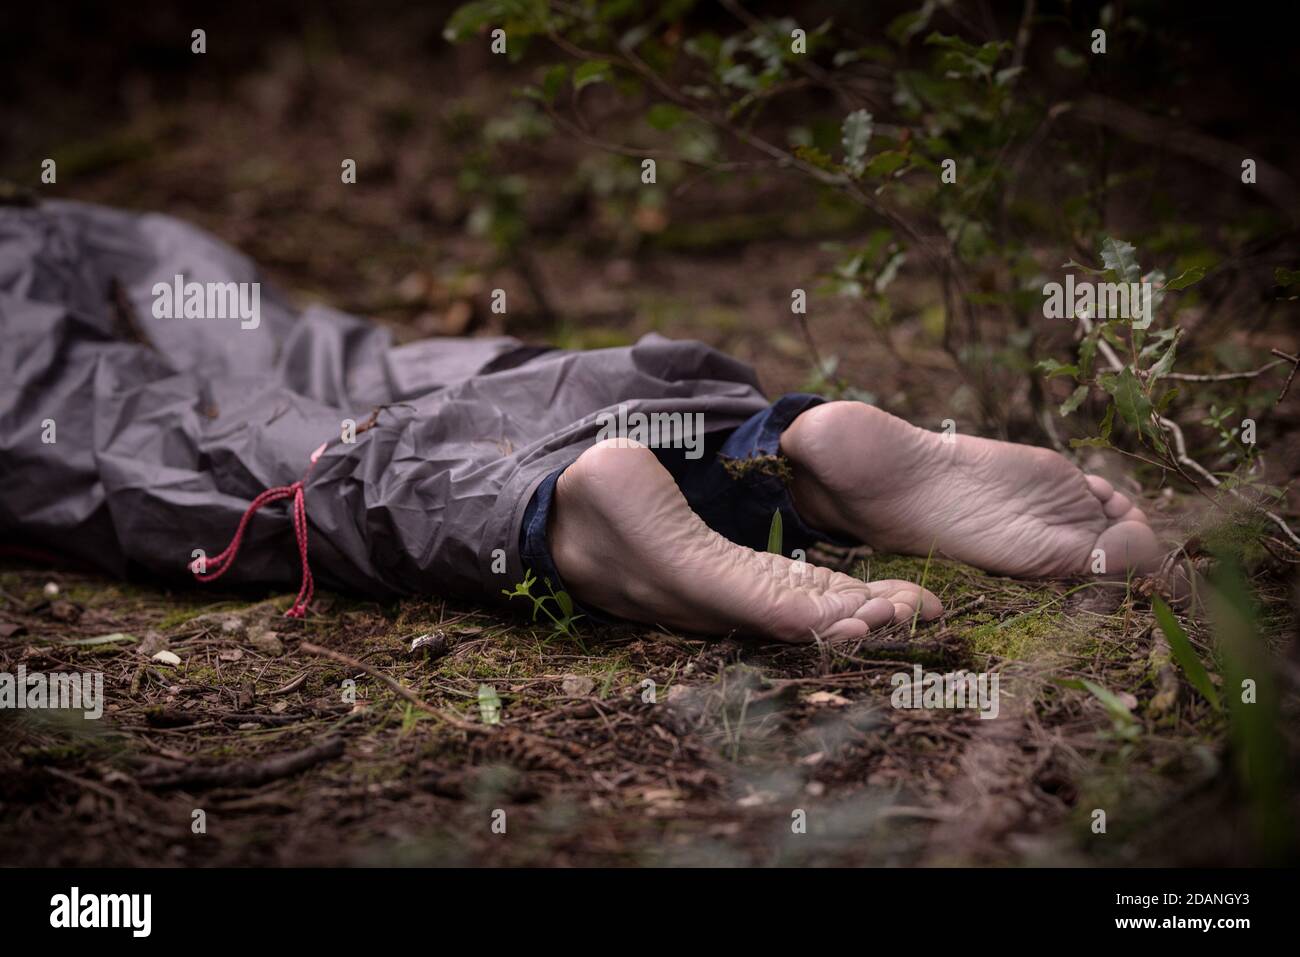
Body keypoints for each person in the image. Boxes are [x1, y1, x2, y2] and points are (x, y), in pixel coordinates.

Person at [0, 200, 1160, 642]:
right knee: (350, 364)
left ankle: (554, 516)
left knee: (148, 432)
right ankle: (752, 454)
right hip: (73, 226)